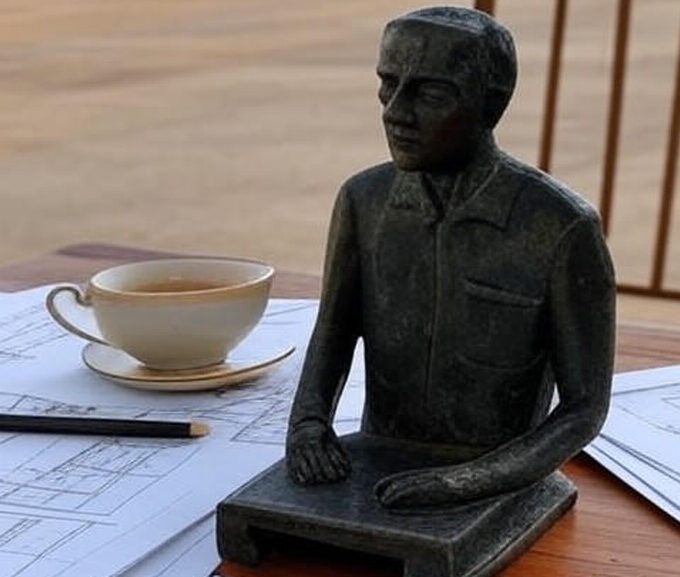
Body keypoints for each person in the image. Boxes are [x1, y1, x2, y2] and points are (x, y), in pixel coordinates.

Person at [285, 6, 616, 510]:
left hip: (498, 480)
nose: (395, 112)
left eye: (431, 94)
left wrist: (466, 481)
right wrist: (308, 426)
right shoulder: (363, 201)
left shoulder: (560, 225)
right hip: (377, 459)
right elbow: (332, 334)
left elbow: (584, 409)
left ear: (491, 104)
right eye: (388, 84)